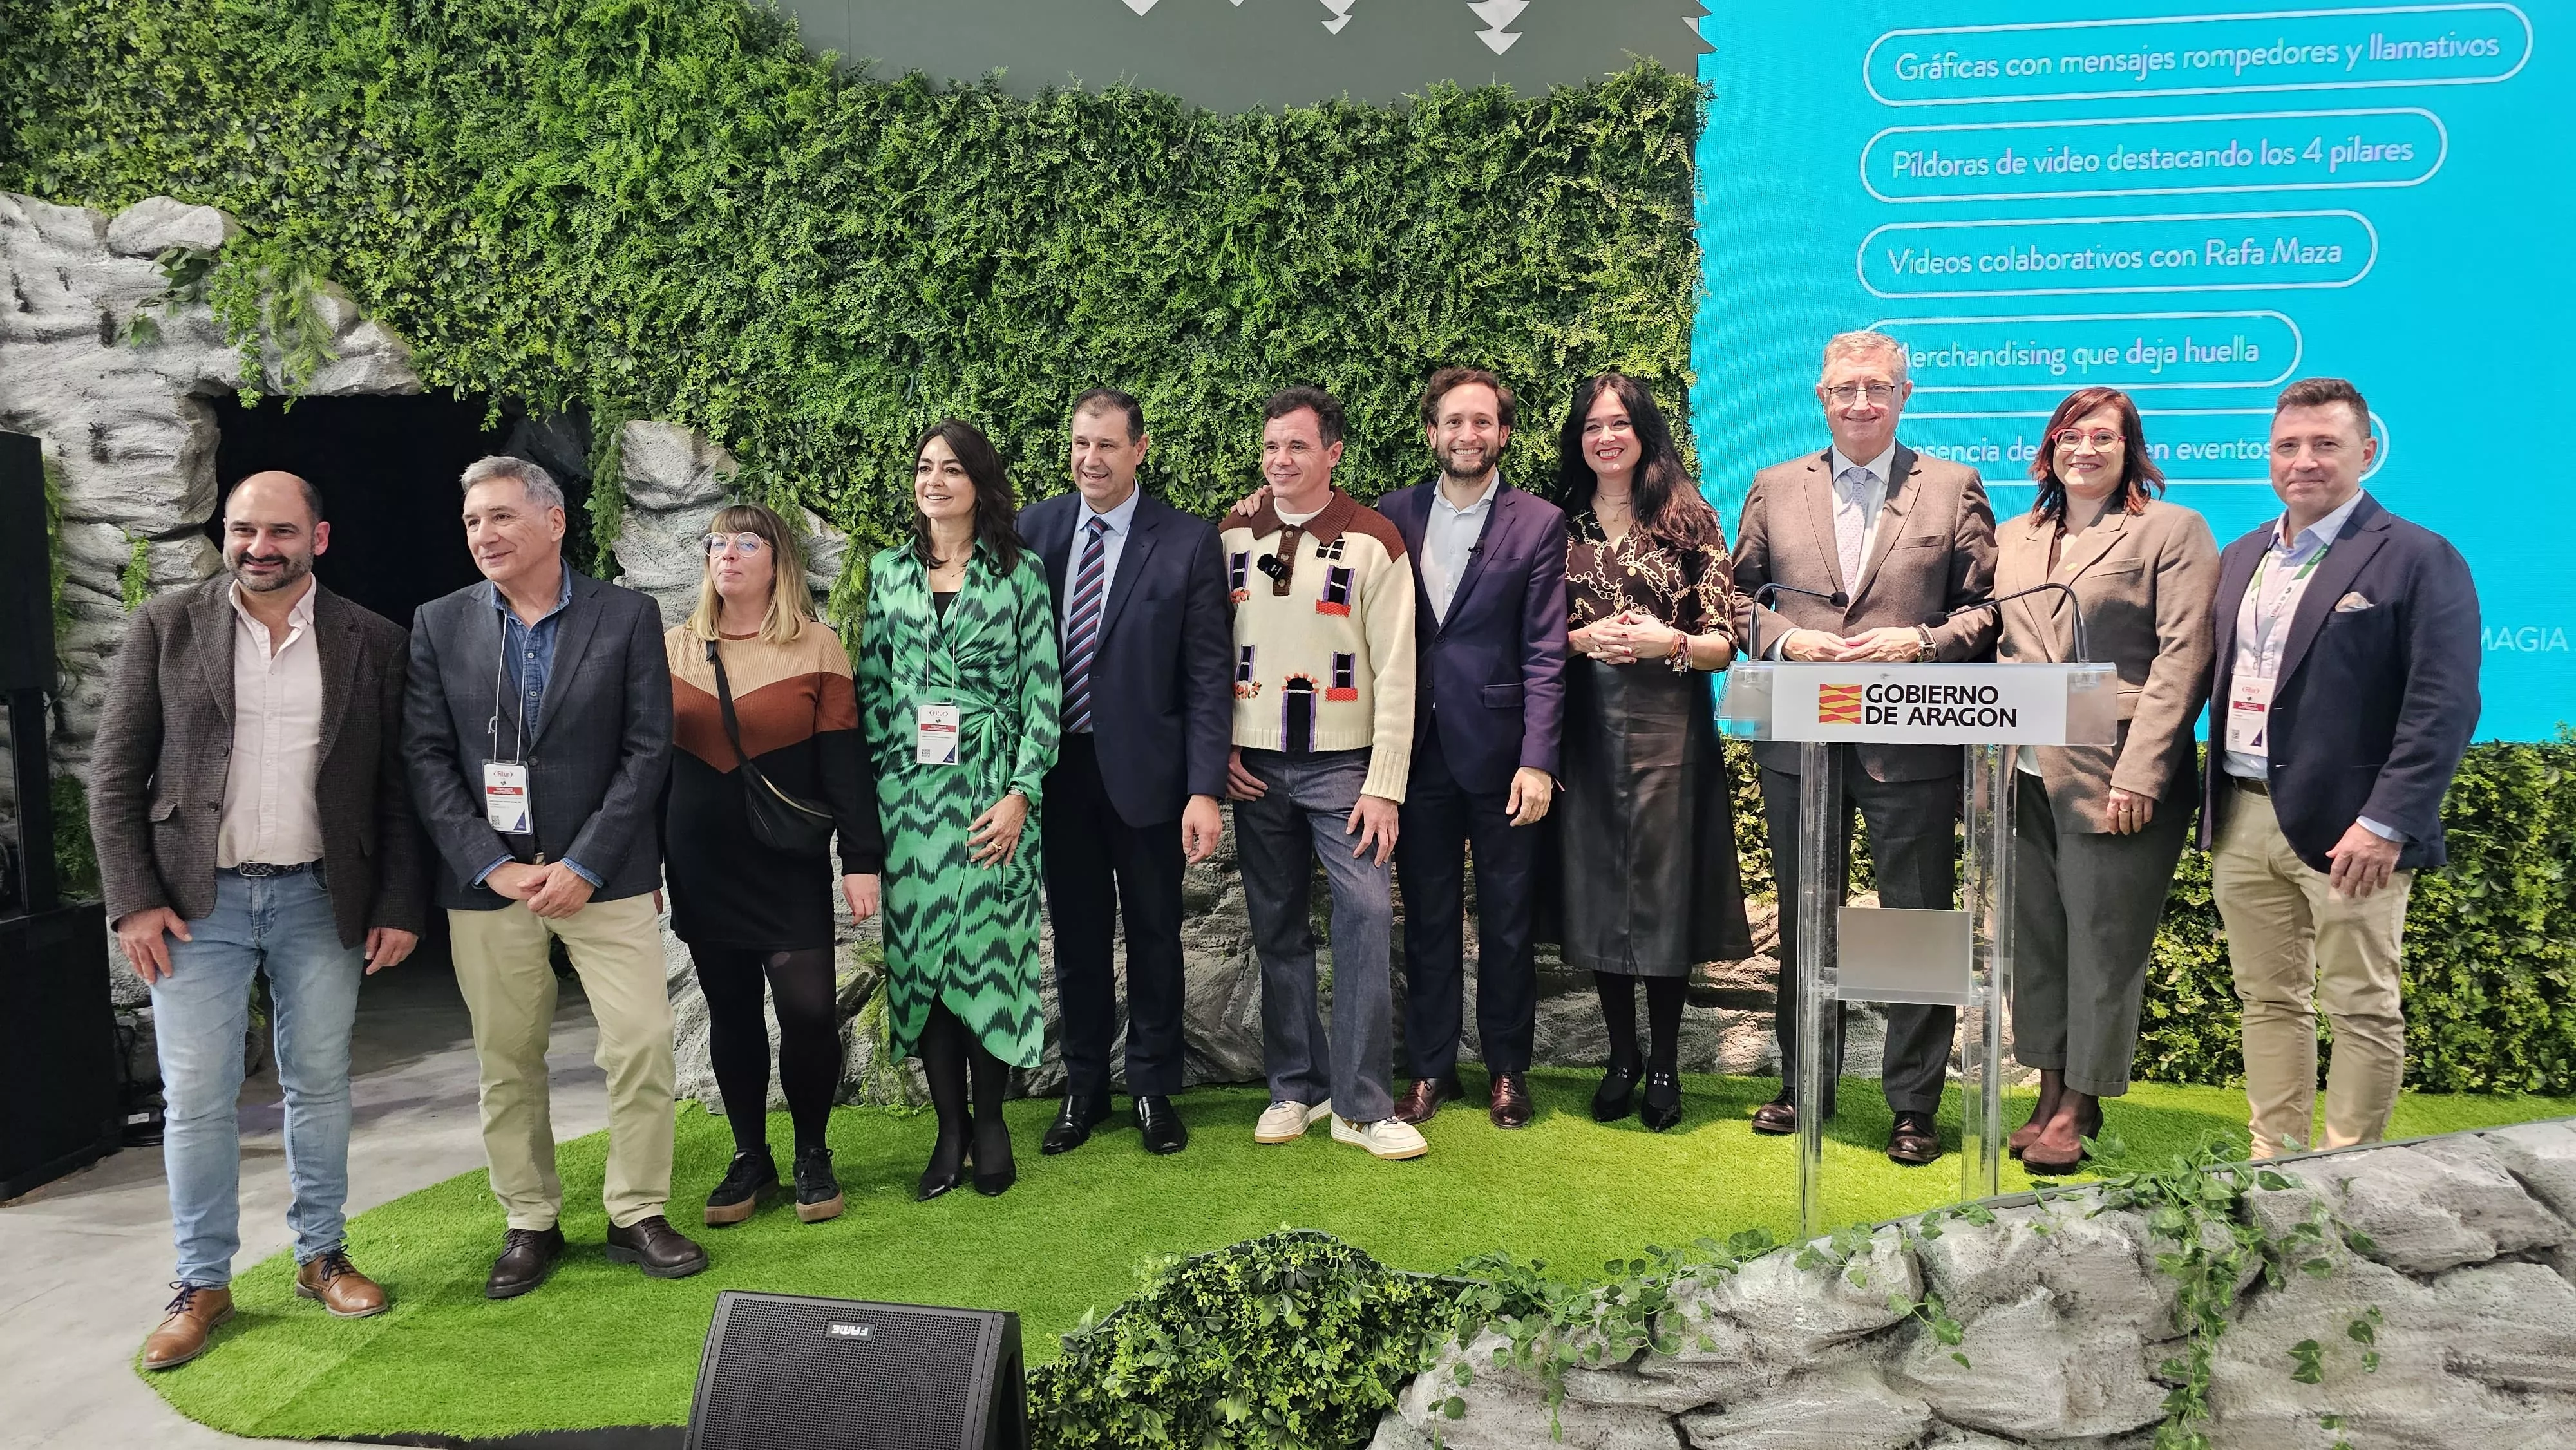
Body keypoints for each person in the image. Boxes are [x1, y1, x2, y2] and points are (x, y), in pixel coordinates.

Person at [89, 471, 425, 1370]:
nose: (258, 546)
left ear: (319, 536)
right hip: (195, 906)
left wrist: (397, 901)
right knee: (196, 1100)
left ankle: (322, 1257)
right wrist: (132, 902)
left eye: (280, 530)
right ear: (223, 534)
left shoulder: (374, 641)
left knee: (318, 1085)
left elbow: (397, 790)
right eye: (243, 530)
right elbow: (115, 777)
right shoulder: (166, 628)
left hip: (323, 897)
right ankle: (201, 1283)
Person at [405, 455, 703, 1296]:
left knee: (642, 1044)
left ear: (554, 521)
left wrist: (583, 863)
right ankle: (529, 1221)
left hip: (602, 879)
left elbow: (649, 750)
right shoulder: (439, 623)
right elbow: (426, 759)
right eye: (471, 522)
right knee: (508, 1059)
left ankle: (636, 1211)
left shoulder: (626, 616)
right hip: (488, 887)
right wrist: (490, 864)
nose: (484, 535)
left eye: (501, 516)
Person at [1732, 328, 1998, 1166]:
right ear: (1820, 397)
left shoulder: (1954, 488)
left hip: (1909, 745)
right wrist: (1782, 642)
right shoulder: (1774, 487)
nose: (1860, 402)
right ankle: (1803, 1083)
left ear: (1904, 396)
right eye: (1844, 388)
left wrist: (1922, 643)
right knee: (1809, 921)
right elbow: (1731, 598)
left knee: (1913, 923)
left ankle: (1913, 1106)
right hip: (1798, 744)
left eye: (1877, 388)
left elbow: (1988, 611)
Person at [2203, 377, 2478, 1160]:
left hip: (2354, 828)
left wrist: (2386, 820)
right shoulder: (2241, 556)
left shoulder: (2417, 557)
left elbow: (2444, 704)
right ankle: (2275, 1163)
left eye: (2325, 444)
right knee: (2267, 999)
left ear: (2366, 450)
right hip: (2242, 813)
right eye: (2288, 445)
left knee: (2360, 1003)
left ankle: (2351, 1171)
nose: (2304, 460)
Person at [1993, 388, 2217, 1174]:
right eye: (2068, 434)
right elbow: (2000, 647)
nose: (2082, 448)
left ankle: (2082, 1102)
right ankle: (2048, 1084)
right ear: (2047, 447)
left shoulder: (2171, 530)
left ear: (2130, 448)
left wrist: (2144, 771)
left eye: (2101, 436)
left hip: (2116, 775)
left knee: (2103, 943)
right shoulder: (2012, 534)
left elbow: (2183, 657)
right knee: (2037, 942)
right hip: (2020, 771)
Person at [1019, 390, 1231, 1158]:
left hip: (1148, 776)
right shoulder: (1033, 530)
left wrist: (1204, 787)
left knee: (1154, 934)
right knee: (1075, 939)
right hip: (1058, 771)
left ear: (1140, 449)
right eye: (1080, 443)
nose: (1090, 459)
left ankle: (1150, 1084)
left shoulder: (1184, 540)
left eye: (1107, 445)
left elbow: (1208, 675)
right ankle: (1083, 1086)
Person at [663, 502, 884, 1225]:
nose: (727, 553)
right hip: (700, 864)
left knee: (809, 1011)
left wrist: (860, 858)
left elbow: (845, 765)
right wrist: (641, 867)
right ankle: (748, 1154)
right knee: (731, 1013)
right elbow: (646, 769)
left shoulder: (819, 645)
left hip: (785, 863)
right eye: (716, 542)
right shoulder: (671, 648)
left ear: (777, 561)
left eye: (746, 542)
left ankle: (812, 1151)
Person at [858, 420, 1061, 1200]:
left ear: (980, 482)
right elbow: (874, 688)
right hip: (911, 805)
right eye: (923, 468)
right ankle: (948, 1128)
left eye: (950, 468)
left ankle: (992, 1123)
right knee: (923, 966)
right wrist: (883, 794)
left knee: (989, 958)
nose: (933, 480)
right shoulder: (889, 572)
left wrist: (1021, 791)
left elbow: (1043, 692)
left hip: (993, 796)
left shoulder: (1021, 573)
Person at [1545, 373, 1752, 1133]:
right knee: (1600, 890)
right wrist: (1577, 638)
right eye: (1593, 425)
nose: (1606, 437)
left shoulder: (1690, 518)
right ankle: (1620, 1056)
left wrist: (1672, 642)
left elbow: (1724, 643)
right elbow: (1529, 634)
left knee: (1663, 896)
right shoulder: (1553, 523)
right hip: (1582, 731)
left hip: (1671, 728)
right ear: (1580, 437)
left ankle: (1664, 1063)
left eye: (1620, 424)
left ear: (1644, 433)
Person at [1222, 386, 1425, 1162]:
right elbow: (1208, 654)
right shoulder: (1232, 534)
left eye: (1297, 446)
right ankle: (1294, 1088)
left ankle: (1364, 1105)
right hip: (1255, 767)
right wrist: (1221, 748)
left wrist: (1386, 781)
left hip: (1346, 768)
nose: (1280, 460)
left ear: (1333, 453)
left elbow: (1399, 670)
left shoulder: (1375, 540)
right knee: (1275, 927)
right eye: (1271, 445)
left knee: (1367, 916)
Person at [1374, 368, 1568, 1131]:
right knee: (1423, 918)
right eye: (1454, 421)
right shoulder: (1390, 517)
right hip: (1415, 753)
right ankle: (1428, 1070)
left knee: (1508, 919)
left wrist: (1540, 757)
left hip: (1503, 754)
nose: (1467, 434)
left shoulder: (1539, 523)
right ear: (1432, 432)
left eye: (1482, 422)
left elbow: (1546, 651)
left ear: (1503, 434)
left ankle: (1507, 1071)